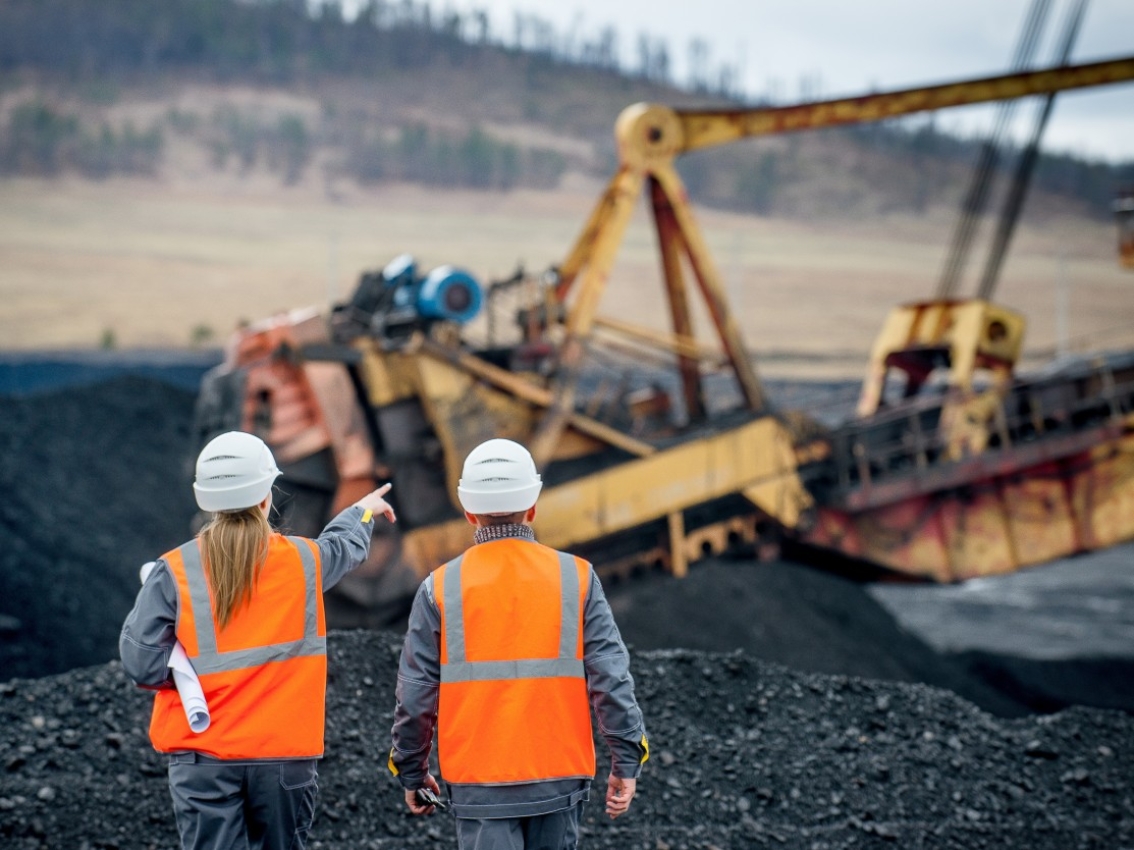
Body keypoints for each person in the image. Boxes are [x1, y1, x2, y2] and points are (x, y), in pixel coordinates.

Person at [119, 430, 396, 850]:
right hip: (282, 758)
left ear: (206, 500)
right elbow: (343, 547)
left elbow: (142, 663)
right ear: (266, 498)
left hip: (203, 758)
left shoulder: (173, 571)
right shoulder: (303, 562)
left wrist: (184, 672)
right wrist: (362, 510)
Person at [388, 438, 648, 850]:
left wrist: (412, 772)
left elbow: (416, 694)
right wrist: (626, 759)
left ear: (468, 511)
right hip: (559, 778)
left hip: (479, 785)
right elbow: (611, 678)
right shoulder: (576, 578)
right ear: (533, 507)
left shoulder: (440, 588)